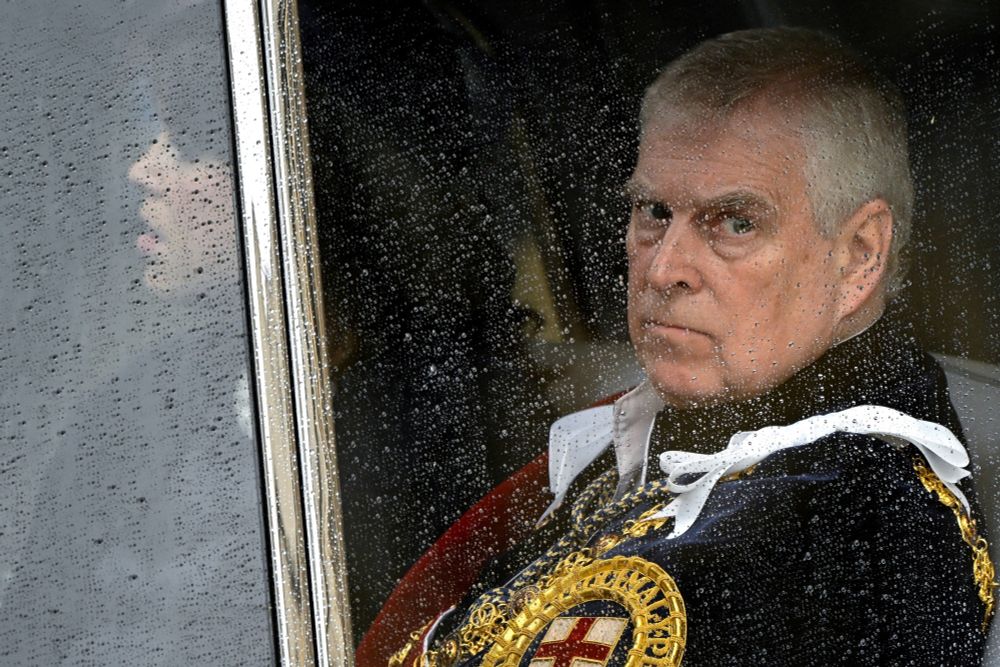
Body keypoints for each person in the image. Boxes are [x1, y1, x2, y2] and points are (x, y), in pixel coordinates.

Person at [371, 27, 996, 666]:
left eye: (735, 223)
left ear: (860, 254)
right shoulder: (675, 438)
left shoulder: (863, 534)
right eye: (653, 212)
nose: (665, 268)